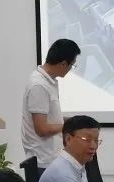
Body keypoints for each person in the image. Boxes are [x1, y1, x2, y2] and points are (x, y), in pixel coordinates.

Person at [21, 39, 81, 168]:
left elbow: (49, 117)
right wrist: (68, 126)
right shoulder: (39, 85)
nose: (71, 69)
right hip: (43, 161)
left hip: (50, 158)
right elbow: (41, 129)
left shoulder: (49, 82)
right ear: (63, 63)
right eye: (72, 65)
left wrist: (70, 120)